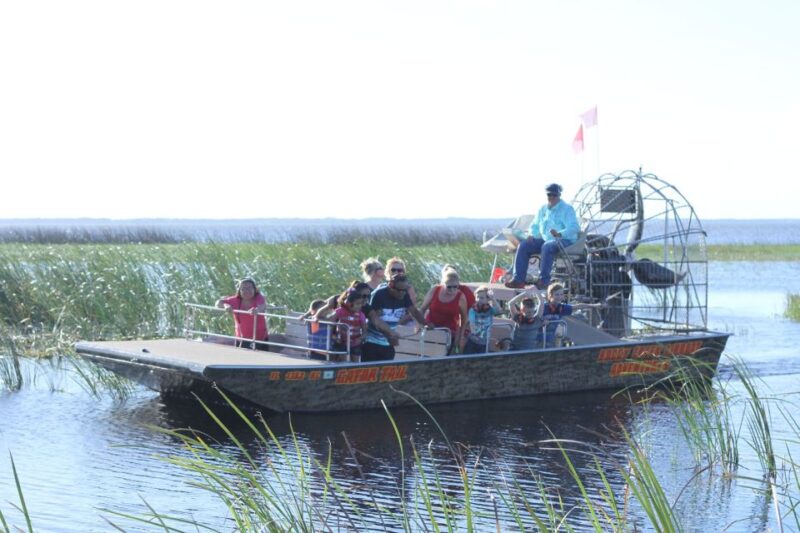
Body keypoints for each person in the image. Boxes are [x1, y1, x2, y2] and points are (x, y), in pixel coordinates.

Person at [505, 183, 580, 290]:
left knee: (547, 246)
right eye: (549, 195)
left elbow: (574, 227)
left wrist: (560, 233)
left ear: (559, 195)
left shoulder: (567, 209)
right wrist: (531, 234)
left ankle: (544, 281)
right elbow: (535, 225)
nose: (552, 197)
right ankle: (518, 280)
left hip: (564, 240)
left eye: (554, 195)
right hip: (546, 240)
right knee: (524, 245)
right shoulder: (543, 209)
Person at [362, 273, 426, 362]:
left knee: (388, 369)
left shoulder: (404, 294)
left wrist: (425, 323)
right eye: (399, 290)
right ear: (390, 287)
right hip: (371, 342)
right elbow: (374, 320)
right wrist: (389, 334)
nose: (402, 293)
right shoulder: (379, 294)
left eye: (404, 290)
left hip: (388, 343)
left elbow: (414, 311)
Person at [418, 269, 468, 354]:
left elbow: (463, 320)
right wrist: (421, 324)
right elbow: (422, 309)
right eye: (449, 287)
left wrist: (460, 337)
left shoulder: (461, 297)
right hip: (430, 328)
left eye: (455, 287)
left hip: (449, 333)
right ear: (443, 284)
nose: (452, 290)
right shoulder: (435, 290)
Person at [538, 282, 603, 347]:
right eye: (557, 294)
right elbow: (535, 319)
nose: (559, 297)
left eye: (561, 294)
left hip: (552, 339)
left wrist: (595, 305)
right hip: (540, 339)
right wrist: (542, 322)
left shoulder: (561, 308)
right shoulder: (543, 307)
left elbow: (578, 306)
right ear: (550, 295)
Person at [215, 277, 269, 350]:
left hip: (260, 338)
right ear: (239, 291)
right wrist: (225, 305)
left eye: (250, 287)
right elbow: (218, 303)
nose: (247, 290)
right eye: (244, 288)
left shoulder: (258, 297)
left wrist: (257, 310)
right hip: (241, 338)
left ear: (254, 289)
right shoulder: (235, 300)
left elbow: (262, 306)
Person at [463, 285, 502, 354]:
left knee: (481, 358)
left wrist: (493, 298)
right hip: (472, 339)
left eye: (482, 298)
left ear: (488, 299)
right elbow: (471, 323)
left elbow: (499, 311)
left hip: (484, 342)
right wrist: (473, 335)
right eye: (477, 297)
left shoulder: (490, 310)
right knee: (467, 356)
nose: (478, 300)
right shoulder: (473, 310)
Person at [332, 288, 368, 362]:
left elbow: (365, 331)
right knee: (344, 362)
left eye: (361, 303)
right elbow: (330, 324)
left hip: (355, 343)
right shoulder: (339, 311)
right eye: (357, 304)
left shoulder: (361, 315)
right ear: (348, 303)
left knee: (356, 362)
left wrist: (361, 339)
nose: (360, 306)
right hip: (342, 342)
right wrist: (334, 336)